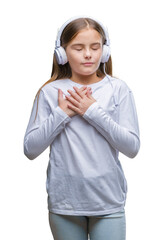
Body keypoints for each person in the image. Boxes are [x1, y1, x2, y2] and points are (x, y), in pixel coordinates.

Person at [24, 16, 140, 240]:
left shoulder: (118, 89)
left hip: (108, 202)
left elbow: (132, 147)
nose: (88, 54)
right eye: (78, 48)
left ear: (104, 51)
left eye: (95, 47)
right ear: (62, 53)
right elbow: (30, 149)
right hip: (65, 204)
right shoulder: (49, 92)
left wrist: (92, 111)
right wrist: (62, 113)